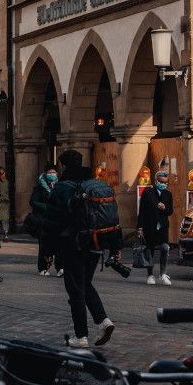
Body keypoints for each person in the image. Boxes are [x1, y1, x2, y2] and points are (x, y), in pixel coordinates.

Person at [45, 149, 115, 349]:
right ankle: (103, 321)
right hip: (96, 242)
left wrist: (47, 251)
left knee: (75, 288)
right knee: (84, 283)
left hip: (73, 243)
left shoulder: (62, 188)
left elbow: (50, 221)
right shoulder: (94, 185)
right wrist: (115, 246)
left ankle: (81, 336)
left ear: (64, 165)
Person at [138, 162, 173, 285]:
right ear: (156, 181)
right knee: (149, 250)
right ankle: (150, 275)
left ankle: (163, 274)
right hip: (149, 225)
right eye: (162, 182)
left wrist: (165, 208)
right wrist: (140, 227)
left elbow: (170, 211)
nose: (164, 184)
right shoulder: (147, 193)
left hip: (163, 225)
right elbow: (141, 211)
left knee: (164, 248)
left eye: (166, 182)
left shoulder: (168, 194)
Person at [27, 166, 61, 275]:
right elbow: (33, 201)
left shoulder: (60, 186)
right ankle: (43, 267)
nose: (52, 174)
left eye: (54, 172)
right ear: (46, 174)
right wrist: (47, 207)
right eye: (50, 172)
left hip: (57, 220)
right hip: (43, 219)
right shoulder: (39, 187)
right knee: (44, 244)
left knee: (59, 244)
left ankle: (60, 267)